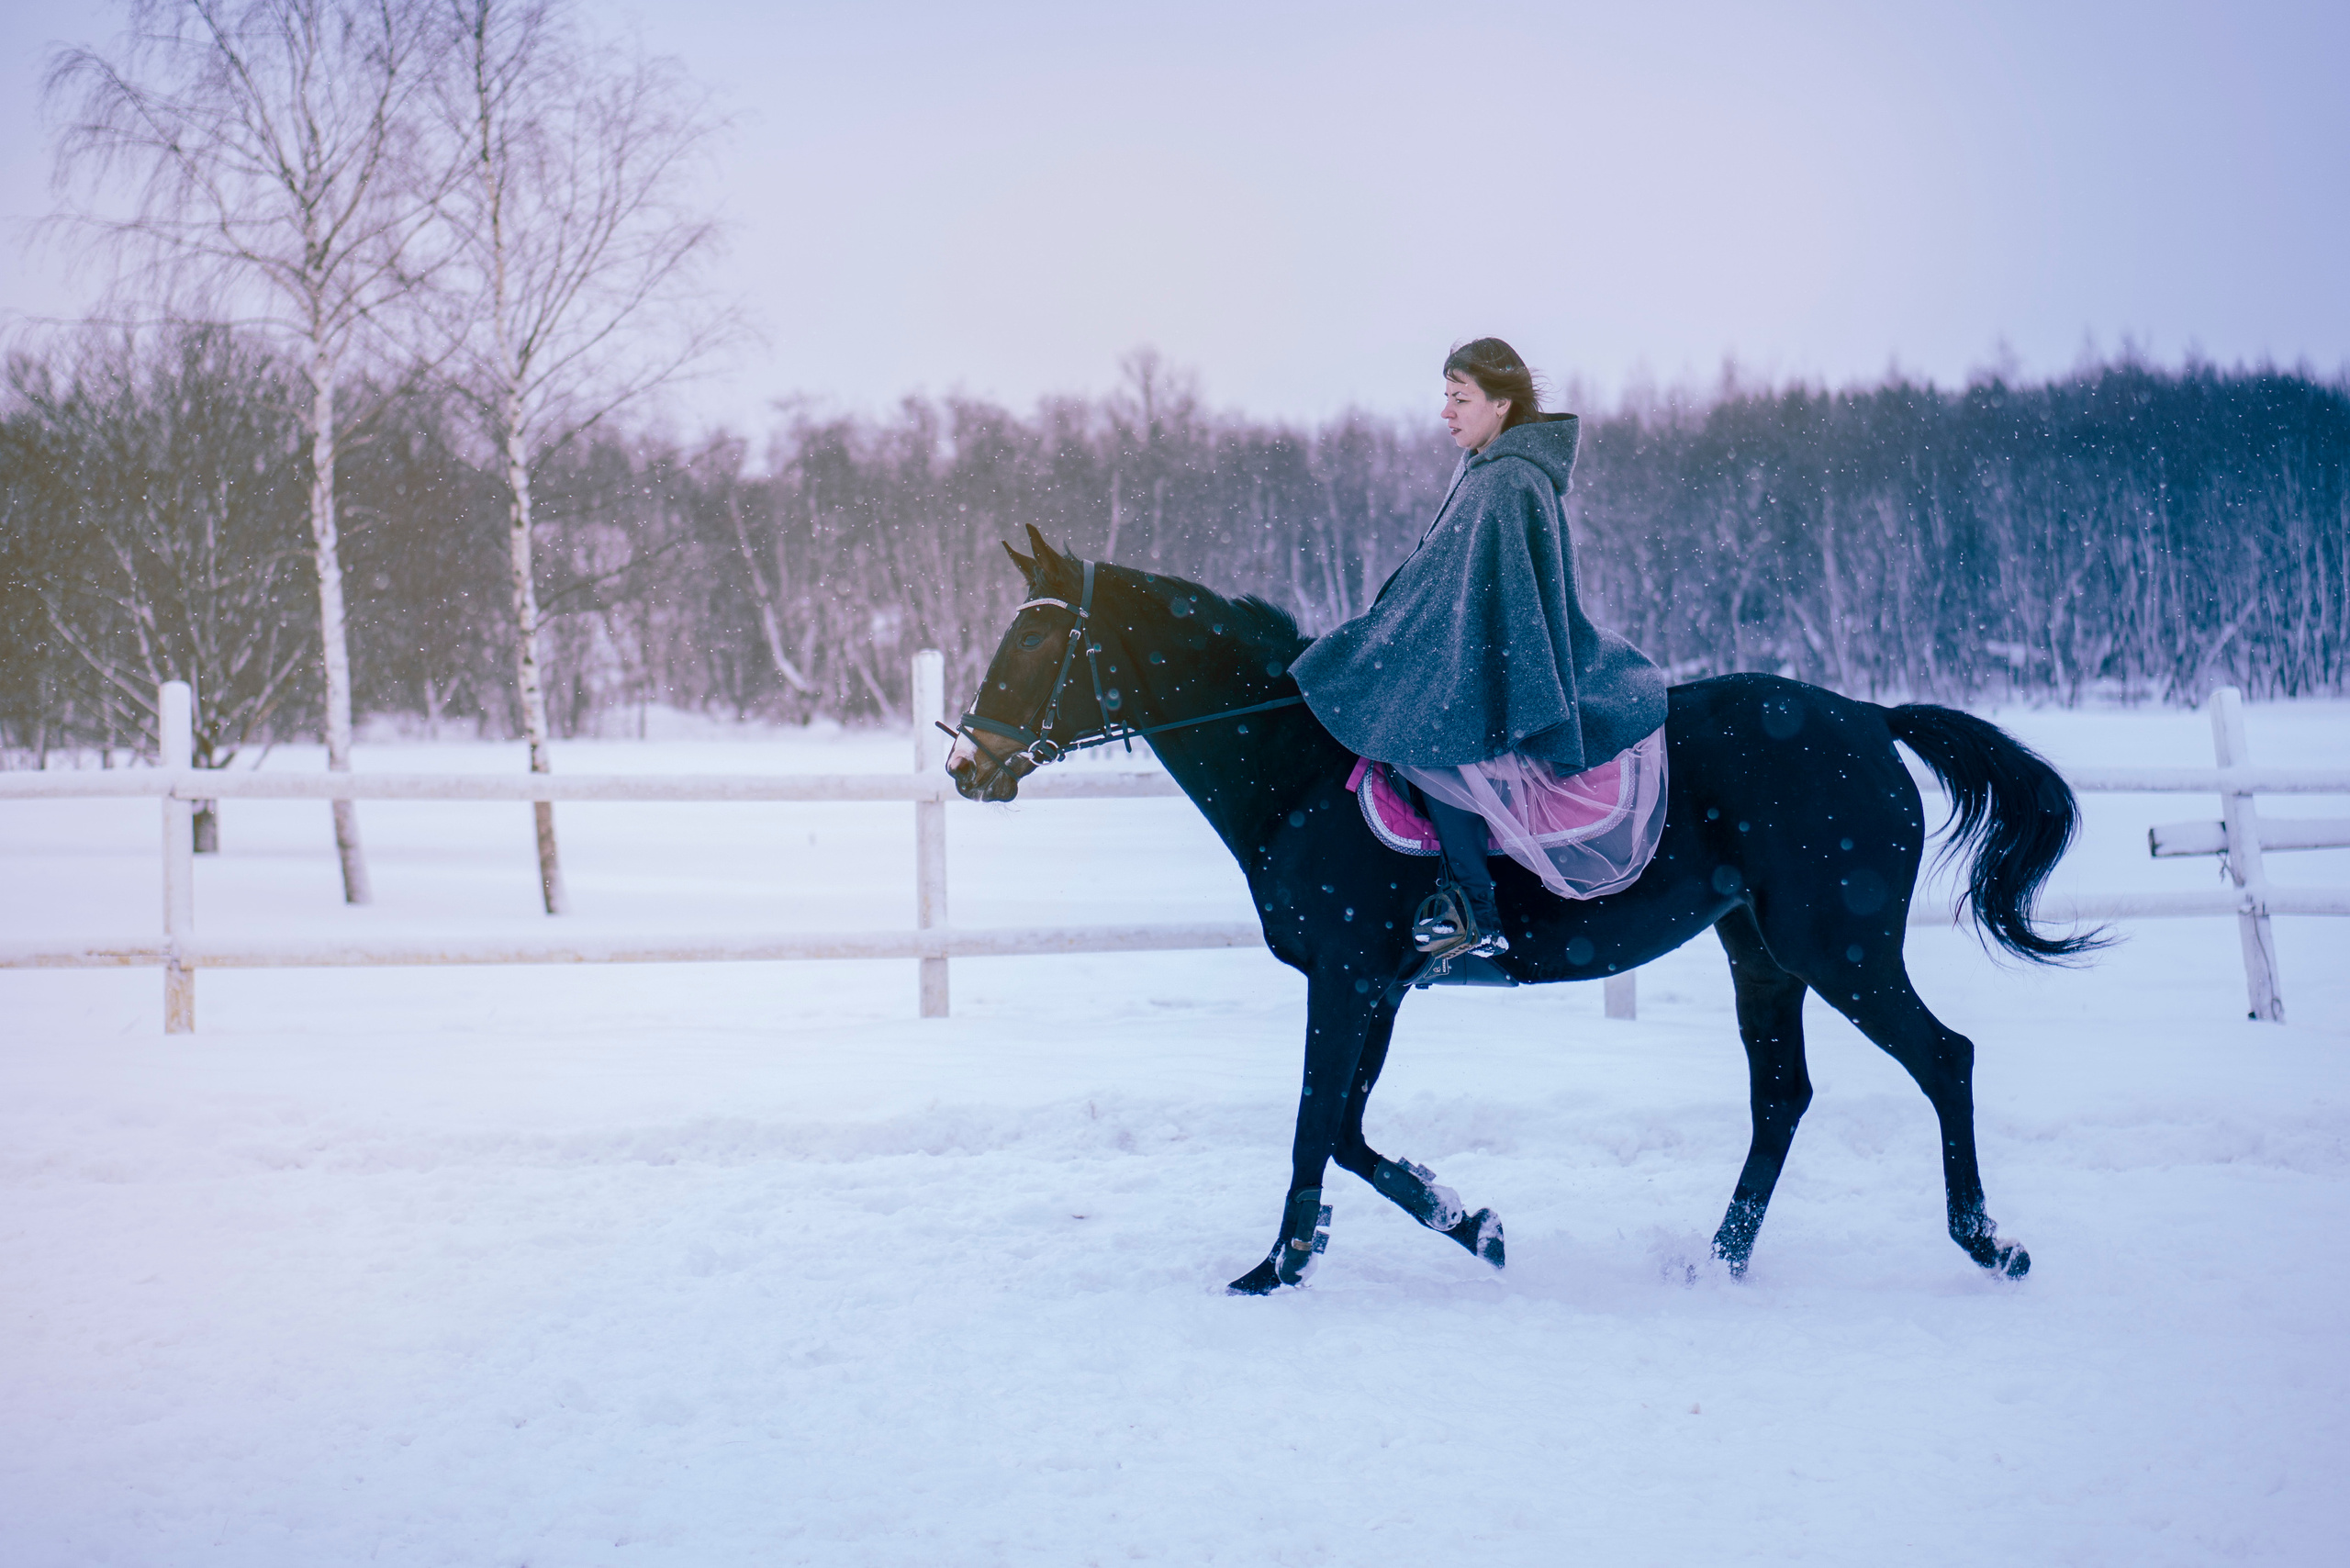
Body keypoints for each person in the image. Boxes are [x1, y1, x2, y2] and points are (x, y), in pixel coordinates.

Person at [1291, 338, 1669, 959]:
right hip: (1477, 652)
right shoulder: (1485, 472)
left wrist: (1390, 643)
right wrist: (1391, 630)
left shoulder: (1505, 481)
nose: (1447, 412)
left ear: (1501, 405)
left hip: (1491, 661)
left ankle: (1477, 908)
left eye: (1460, 398)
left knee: (1424, 742)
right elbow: (1442, 585)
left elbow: (1484, 600)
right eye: (1446, 397)